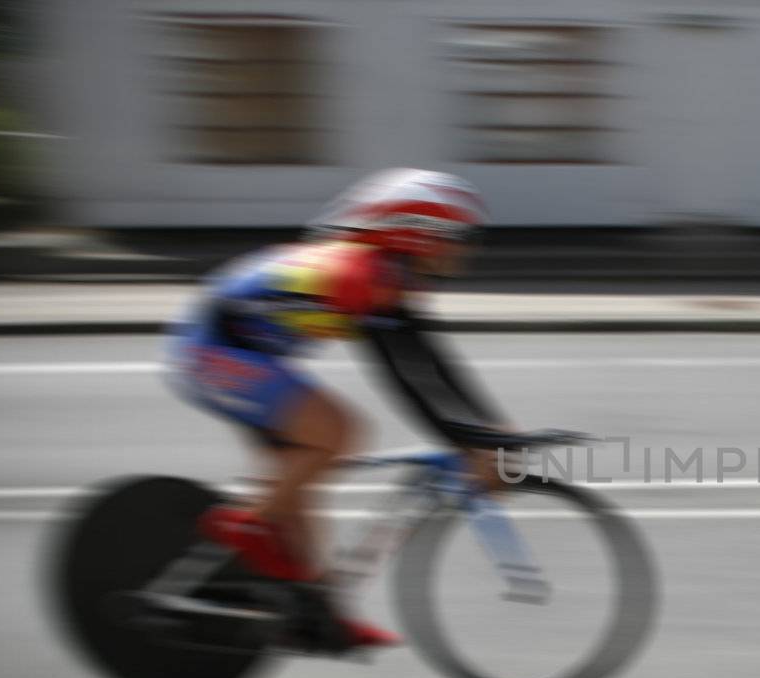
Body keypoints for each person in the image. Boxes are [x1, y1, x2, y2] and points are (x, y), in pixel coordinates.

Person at [165, 168, 513, 652]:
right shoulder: (361, 273)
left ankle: (317, 617)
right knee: (340, 432)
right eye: (454, 237)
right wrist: (468, 440)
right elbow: (403, 377)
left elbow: (431, 361)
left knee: (300, 495)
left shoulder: (386, 275)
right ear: (415, 232)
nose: (461, 249)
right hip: (212, 353)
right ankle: (243, 524)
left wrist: (489, 429)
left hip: (238, 352)